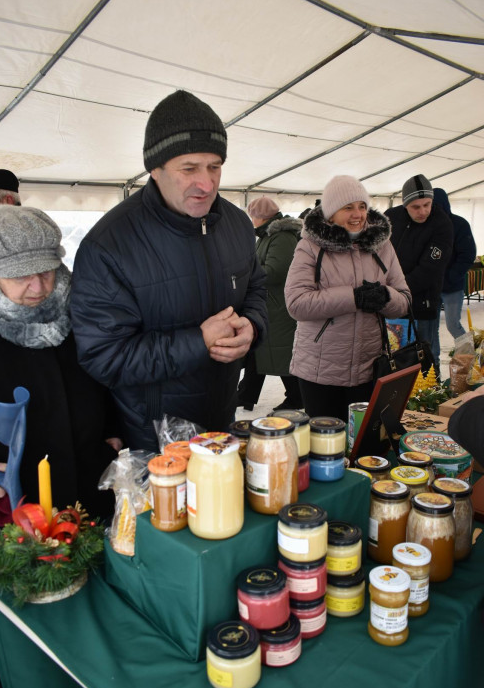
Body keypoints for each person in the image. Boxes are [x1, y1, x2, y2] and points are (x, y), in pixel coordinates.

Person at [0, 206, 121, 688]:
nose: (38, 286)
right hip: (4, 497)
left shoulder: (77, 306)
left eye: (47, 270)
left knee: (85, 584)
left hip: (81, 476)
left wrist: (112, 428)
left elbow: (103, 373)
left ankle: (88, 678)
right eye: (20, 276)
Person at [70, 90, 267, 449]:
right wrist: (198, 342)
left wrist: (253, 326)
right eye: (189, 169)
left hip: (222, 424)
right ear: (155, 169)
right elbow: (104, 357)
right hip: (153, 441)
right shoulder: (109, 244)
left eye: (214, 167)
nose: (206, 184)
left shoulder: (238, 224)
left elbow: (257, 287)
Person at [285, 175, 411, 421]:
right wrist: (353, 297)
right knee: (324, 445)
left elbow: (404, 299)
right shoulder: (310, 246)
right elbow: (297, 303)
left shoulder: (382, 246)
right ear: (331, 213)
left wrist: (385, 296)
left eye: (362, 206)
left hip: (368, 367)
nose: (358, 214)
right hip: (319, 371)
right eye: (348, 207)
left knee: (362, 444)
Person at [237, 196, 303, 412]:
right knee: (259, 351)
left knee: (282, 355)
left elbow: (275, 271)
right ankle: (245, 394)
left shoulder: (281, 237)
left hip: (279, 307)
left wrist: (245, 272)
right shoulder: (267, 235)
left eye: (252, 216)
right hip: (267, 304)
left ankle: (296, 397)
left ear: (260, 216)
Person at [385, 175, 453, 375]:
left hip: (422, 306)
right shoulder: (391, 217)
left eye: (427, 204)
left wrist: (396, 292)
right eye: (416, 206)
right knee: (395, 358)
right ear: (405, 204)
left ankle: (429, 400)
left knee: (425, 359)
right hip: (392, 307)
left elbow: (429, 270)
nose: (423, 211)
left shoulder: (442, 224)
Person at [431, 188, 477, 361]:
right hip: (432, 288)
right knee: (431, 326)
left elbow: (467, 255)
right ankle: (433, 361)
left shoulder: (459, 224)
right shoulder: (429, 226)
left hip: (452, 287)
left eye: (436, 206)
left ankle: (470, 357)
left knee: (452, 324)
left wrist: (451, 276)